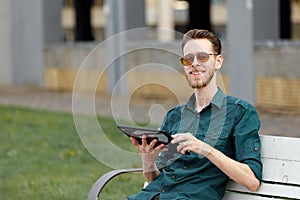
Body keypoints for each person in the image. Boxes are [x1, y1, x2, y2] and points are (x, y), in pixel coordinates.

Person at [128, 29, 262, 200]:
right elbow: (155, 179)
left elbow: (252, 181)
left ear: (218, 61)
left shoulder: (240, 112)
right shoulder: (174, 116)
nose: (194, 63)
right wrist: (148, 160)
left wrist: (205, 149)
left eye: (203, 57)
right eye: (188, 59)